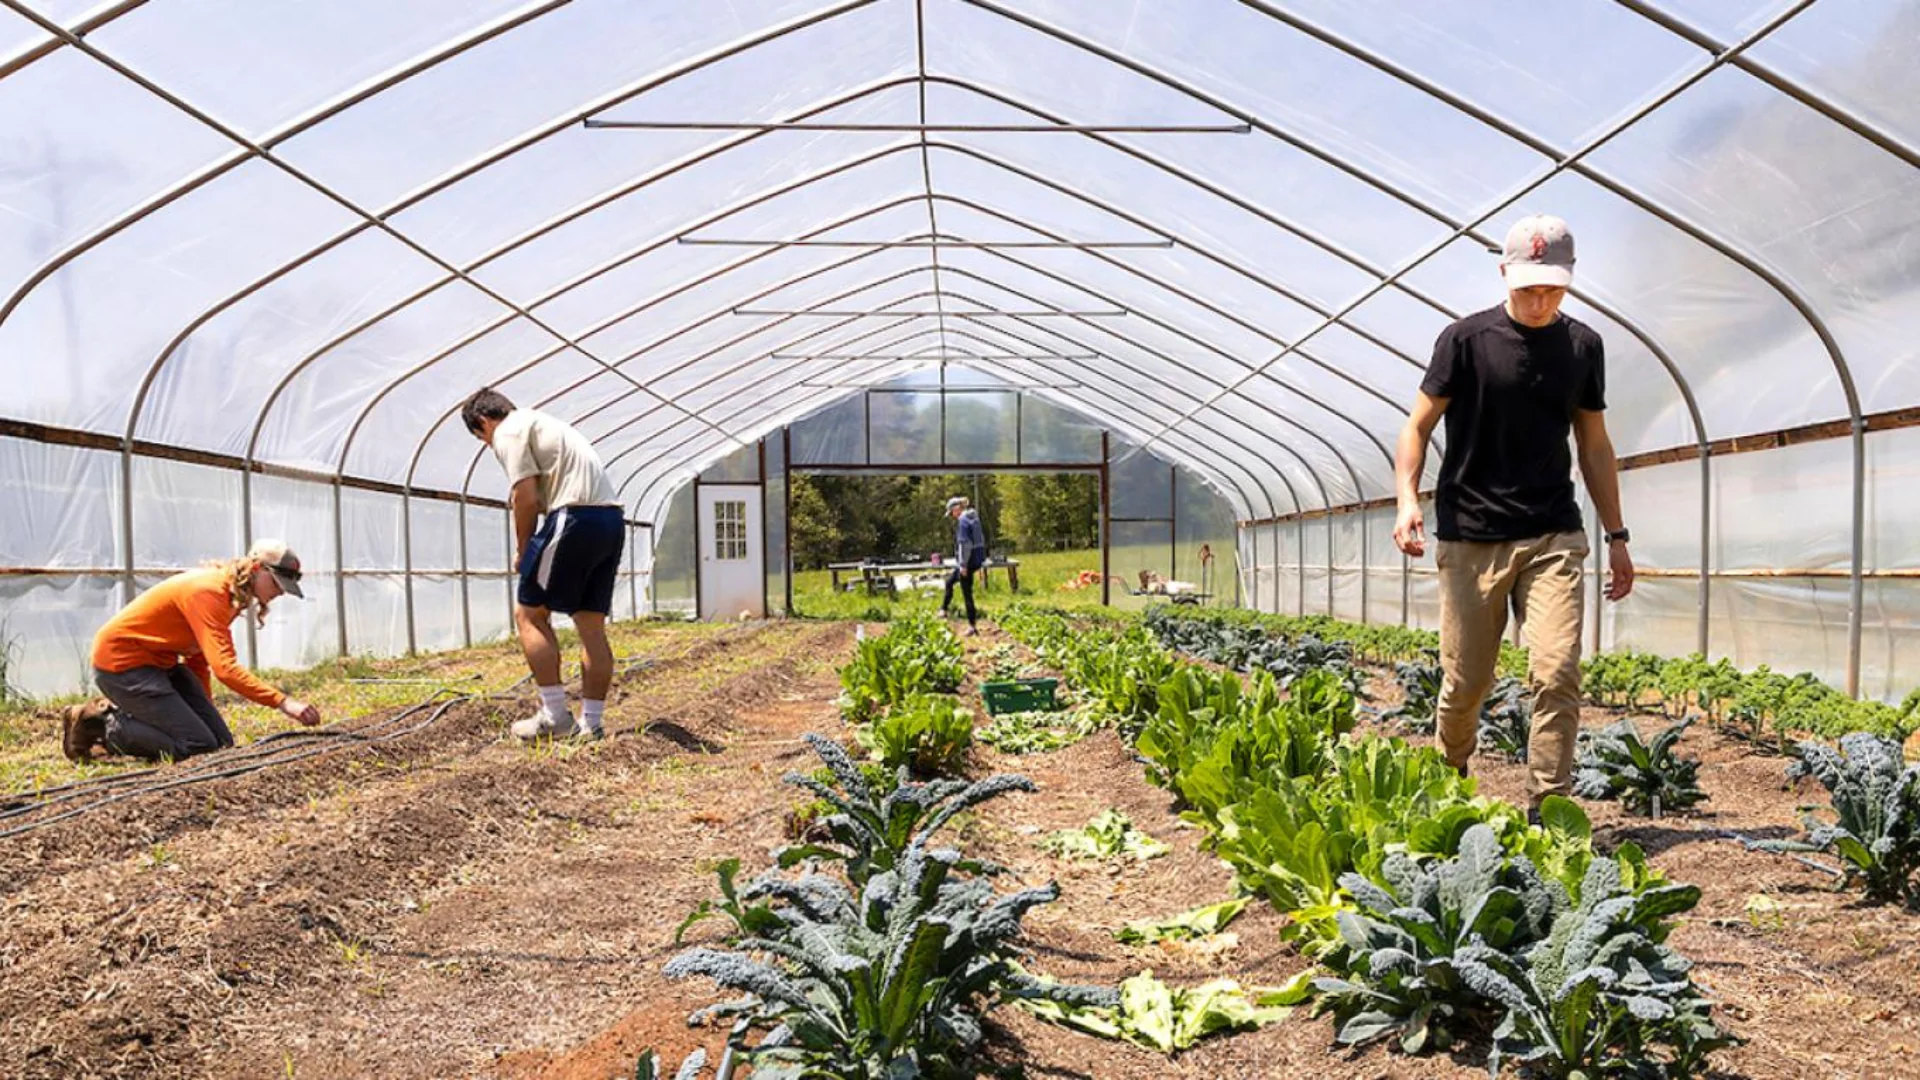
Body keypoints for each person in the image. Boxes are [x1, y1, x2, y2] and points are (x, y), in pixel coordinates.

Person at [1391, 214, 1635, 821]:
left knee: (1556, 672)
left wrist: (1617, 535)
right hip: (1471, 534)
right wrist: (1406, 499)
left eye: (1551, 288)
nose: (1539, 299)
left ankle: (1548, 812)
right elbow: (1417, 427)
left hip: (1553, 531)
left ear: (1569, 280)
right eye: (1528, 287)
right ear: (1504, 273)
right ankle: (1449, 771)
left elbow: (1595, 445)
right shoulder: (1465, 341)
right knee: (1467, 683)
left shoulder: (1583, 347)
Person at [463, 387, 625, 741]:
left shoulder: (509, 429)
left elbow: (526, 495)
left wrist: (523, 549)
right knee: (590, 625)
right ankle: (591, 724)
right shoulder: (544, 424)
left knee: (530, 614)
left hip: (574, 517)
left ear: (483, 422)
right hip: (611, 521)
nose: (490, 447)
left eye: (483, 439)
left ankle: (554, 716)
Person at [71, 540, 322, 763]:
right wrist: (282, 702)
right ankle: (101, 724)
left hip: (160, 664)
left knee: (220, 744)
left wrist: (204, 711)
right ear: (256, 569)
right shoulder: (209, 591)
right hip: (123, 666)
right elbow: (225, 669)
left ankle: (137, 725)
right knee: (199, 745)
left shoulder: (232, 594)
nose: (280, 592)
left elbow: (199, 658)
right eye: (277, 584)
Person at [939, 495, 987, 634]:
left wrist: (963, 565)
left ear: (957, 509)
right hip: (977, 558)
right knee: (950, 582)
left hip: (968, 561)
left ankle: (972, 626)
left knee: (967, 593)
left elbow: (965, 544)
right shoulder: (974, 518)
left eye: (952, 512)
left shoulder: (963, 521)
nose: (952, 516)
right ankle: (943, 609)